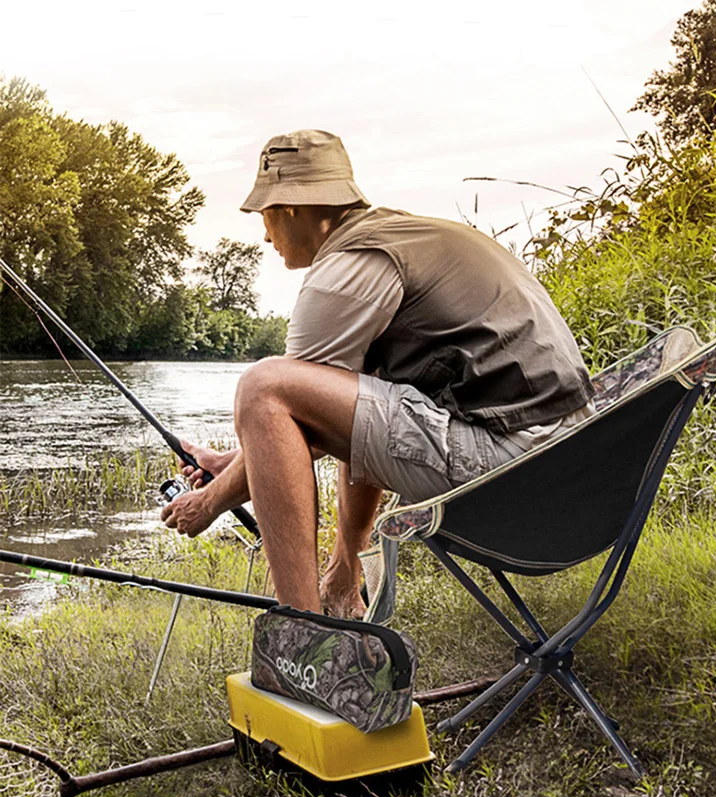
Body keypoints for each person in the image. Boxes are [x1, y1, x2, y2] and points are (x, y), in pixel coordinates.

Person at [161, 130, 595, 619]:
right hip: (575, 469)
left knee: (263, 386)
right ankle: (344, 584)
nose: (264, 236)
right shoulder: (409, 237)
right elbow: (341, 413)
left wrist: (209, 502)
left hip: (516, 475)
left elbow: (285, 413)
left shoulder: (347, 268)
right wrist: (236, 460)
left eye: (264, 215)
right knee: (361, 384)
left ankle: (304, 636)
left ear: (291, 208)